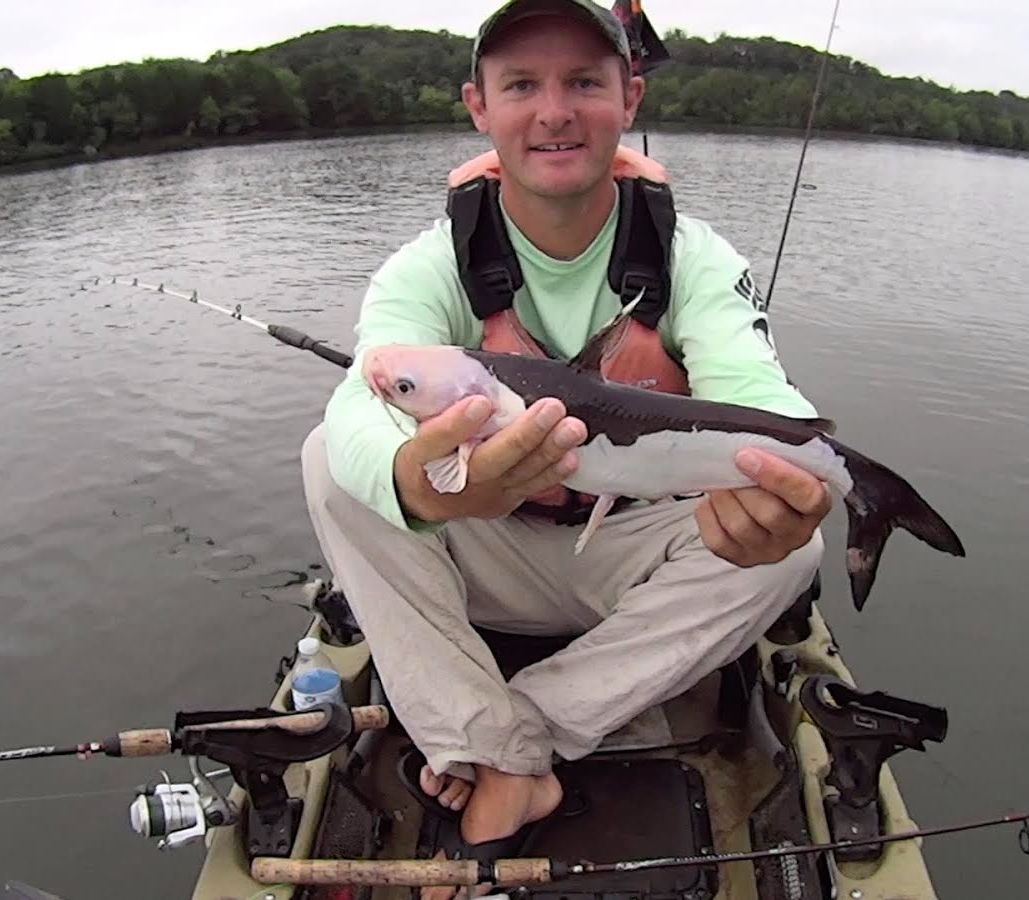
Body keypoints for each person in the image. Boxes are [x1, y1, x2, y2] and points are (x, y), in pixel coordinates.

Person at [300, 0, 829, 890]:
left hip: (628, 557)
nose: (554, 112)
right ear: (479, 105)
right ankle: (498, 738)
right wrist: (426, 489)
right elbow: (360, 401)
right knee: (329, 458)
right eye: (522, 85)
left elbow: (757, 392)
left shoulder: (692, 258)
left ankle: (507, 742)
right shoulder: (427, 267)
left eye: (584, 81)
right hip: (479, 558)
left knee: (794, 547)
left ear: (629, 96)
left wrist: (782, 489)